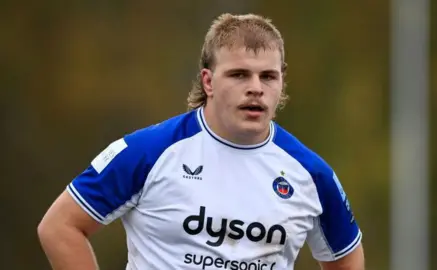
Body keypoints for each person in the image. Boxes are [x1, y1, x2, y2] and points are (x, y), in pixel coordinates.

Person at [37, 13, 364, 270]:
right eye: (239, 75)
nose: (255, 88)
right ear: (208, 80)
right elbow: (60, 227)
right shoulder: (148, 152)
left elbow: (346, 261)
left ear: (281, 81)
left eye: (268, 76)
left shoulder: (311, 174)